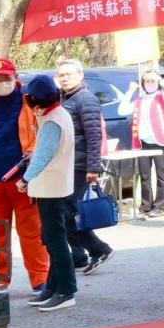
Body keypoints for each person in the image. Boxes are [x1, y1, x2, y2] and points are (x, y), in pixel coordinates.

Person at [0, 59, 49, 294]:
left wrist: (32, 153)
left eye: (6, 77)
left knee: (32, 232)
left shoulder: (31, 102)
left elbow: (43, 134)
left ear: (16, 77)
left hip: (24, 179)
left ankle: (40, 279)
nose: (2, 82)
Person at [15, 76, 77, 312]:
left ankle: (66, 291)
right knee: (52, 238)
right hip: (55, 185)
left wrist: (25, 179)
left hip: (50, 186)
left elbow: (42, 155)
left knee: (55, 240)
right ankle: (52, 287)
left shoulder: (52, 120)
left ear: (34, 98)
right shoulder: (57, 114)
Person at [55, 59, 114, 275]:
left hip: (80, 165)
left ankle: (100, 249)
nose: (65, 78)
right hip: (65, 164)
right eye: (61, 75)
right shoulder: (64, 98)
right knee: (65, 211)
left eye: (69, 74)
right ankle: (78, 256)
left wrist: (93, 167)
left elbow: (94, 136)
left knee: (67, 212)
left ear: (80, 75)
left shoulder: (85, 99)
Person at [116, 69, 164, 218]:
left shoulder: (163, 97)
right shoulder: (139, 100)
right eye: (147, 81)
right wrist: (130, 92)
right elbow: (122, 110)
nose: (150, 84)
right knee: (145, 175)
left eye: (152, 81)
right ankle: (146, 206)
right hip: (143, 143)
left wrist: (159, 79)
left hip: (160, 141)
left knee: (161, 175)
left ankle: (161, 206)